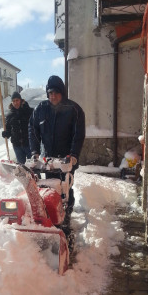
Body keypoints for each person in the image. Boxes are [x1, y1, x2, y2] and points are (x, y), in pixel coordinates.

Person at [28, 75, 85, 239]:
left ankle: (66, 216)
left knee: (65, 188)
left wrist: (73, 154)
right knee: (49, 187)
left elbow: (78, 134)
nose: (53, 96)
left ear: (62, 93)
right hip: (49, 159)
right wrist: (34, 152)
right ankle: (51, 214)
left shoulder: (73, 109)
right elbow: (33, 130)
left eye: (56, 93)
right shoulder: (40, 109)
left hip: (67, 159)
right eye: (50, 93)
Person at [2, 91, 33, 164]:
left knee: (33, 167)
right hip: (17, 146)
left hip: (29, 144)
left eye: (17, 100)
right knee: (21, 168)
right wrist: (6, 133)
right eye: (13, 101)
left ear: (21, 100)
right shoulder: (10, 115)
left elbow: (35, 126)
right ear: (12, 102)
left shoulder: (29, 111)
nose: (15, 103)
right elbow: (8, 129)